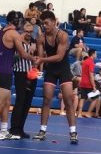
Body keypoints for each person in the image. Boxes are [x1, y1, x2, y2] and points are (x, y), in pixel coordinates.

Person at [0, 11, 35, 140]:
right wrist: (36, 58)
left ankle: (4, 130)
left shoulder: (1, 32)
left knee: (7, 101)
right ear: (16, 21)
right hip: (4, 71)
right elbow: (23, 54)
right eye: (20, 21)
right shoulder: (14, 34)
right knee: (0, 102)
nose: (22, 23)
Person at [33, 11, 78, 144]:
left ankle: (73, 132)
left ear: (54, 22)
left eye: (46, 23)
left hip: (63, 69)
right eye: (42, 24)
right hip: (51, 70)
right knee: (46, 99)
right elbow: (41, 59)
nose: (44, 26)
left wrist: (41, 59)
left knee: (68, 100)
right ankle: (42, 130)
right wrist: (36, 62)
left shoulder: (62, 35)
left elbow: (58, 57)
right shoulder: (41, 38)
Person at [10, 22, 38, 138]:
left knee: (27, 103)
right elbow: (14, 58)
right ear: (22, 30)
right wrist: (28, 52)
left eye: (31, 32)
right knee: (20, 100)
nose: (29, 34)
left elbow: (37, 58)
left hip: (31, 74)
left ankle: (21, 128)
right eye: (27, 31)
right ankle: (14, 128)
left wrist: (34, 49)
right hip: (20, 73)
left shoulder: (33, 42)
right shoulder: (17, 41)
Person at [78, 49, 100, 118]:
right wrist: (93, 86)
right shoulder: (91, 62)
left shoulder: (85, 61)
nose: (96, 55)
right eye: (96, 54)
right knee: (97, 98)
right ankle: (88, 113)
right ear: (93, 54)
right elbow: (91, 75)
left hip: (82, 82)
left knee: (82, 98)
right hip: (88, 83)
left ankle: (79, 114)